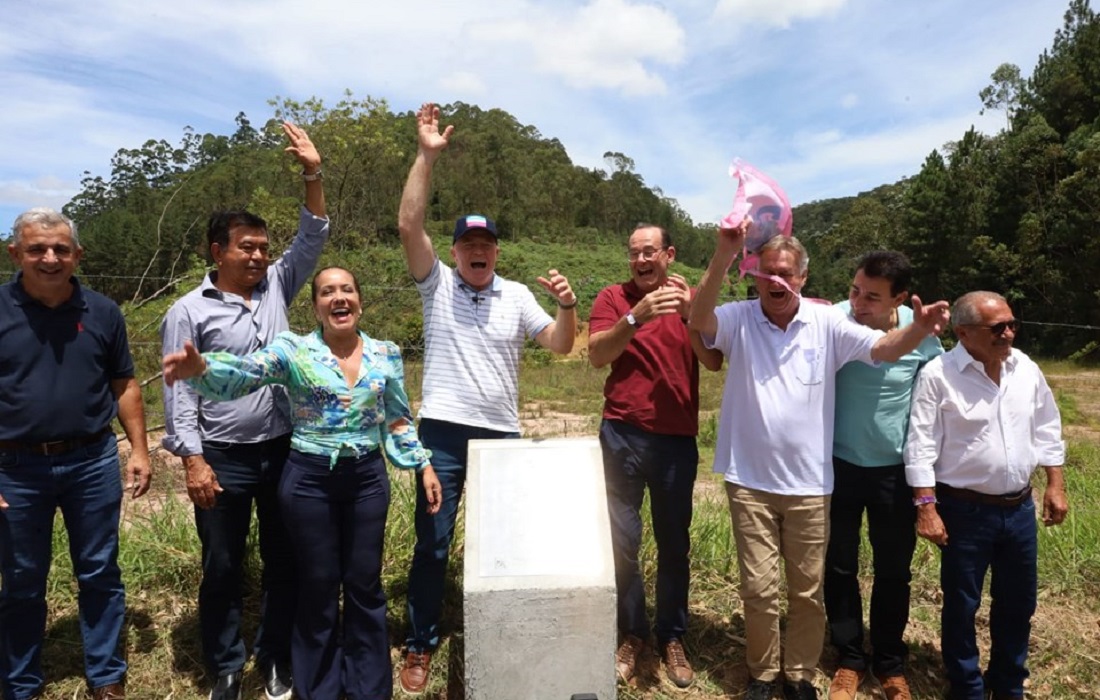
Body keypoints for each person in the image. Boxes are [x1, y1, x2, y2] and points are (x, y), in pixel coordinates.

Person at [688, 224, 949, 700]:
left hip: (810, 484)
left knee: (807, 590)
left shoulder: (827, 322)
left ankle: (800, 674)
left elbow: (883, 348)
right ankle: (762, 673)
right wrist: (724, 253)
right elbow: (699, 318)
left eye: (786, 273)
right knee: (758, 587)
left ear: (803, 277)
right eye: (767, 272)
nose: (776, 280)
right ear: (756, 274)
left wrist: (918, 328)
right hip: (749, 480)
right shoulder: (740, 318)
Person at [164, 266, 443, 700]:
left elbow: (397, 416)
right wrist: (203, 367)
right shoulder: (293, 350)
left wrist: (422, 464)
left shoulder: (385, 353)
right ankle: (319, 688)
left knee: (365, 583)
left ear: (359, 301)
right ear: (315, 307)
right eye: (327, 292)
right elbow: (248, 372)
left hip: (367, 480)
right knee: (318, 583)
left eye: (347, 289)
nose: (339, 298)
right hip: (309, 481)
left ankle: (369, 688)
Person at [395, 102, 578, 695]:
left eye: (487, 243)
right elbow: (409, 226)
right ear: (454, 251)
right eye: (468, 242)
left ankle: (505, 636)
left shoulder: (518, 295)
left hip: (502, 436)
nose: (478, 250)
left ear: (497, 250)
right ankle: (420, 642)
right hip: (442, 433)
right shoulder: (436, 285)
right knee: (433, 543)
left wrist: (568, 307)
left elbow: (560, 345)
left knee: (507, 545)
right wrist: (426, 156)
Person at [160, 122, 328, 700]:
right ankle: (227, 666)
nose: (258, 256)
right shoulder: (189, 311)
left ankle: (275, 657)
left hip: (284, 450)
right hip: (222, 457)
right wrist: (193, 460)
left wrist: (312, 173)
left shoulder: (278, 285)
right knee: (222, 565)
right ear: (218, 251)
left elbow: (312, 236)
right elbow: (179, 392)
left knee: (285, 559)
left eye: (262, 247)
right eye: (246, 247)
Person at [0, 208, 152, 700]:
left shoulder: (103, 312)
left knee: (100, 570)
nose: (50, 258)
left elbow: (124, 384)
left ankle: (106, 676)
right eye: (37, 249)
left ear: (78, 255)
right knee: (22, 578)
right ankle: (20, 683)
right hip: (14, 468)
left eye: (61, 249)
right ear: (15, 253)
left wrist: (140, 449)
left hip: (92, 460)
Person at [905, 291, 1067, 700]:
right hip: (964, 511)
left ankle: (1008, 683)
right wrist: (926, 507)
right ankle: (967, 686)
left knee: (1019, 603)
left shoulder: (1025, 368)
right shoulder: (939, 375)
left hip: (1018, 510)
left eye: (1012, 324)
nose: (1008, 333)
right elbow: (920, 445)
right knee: (962, 605)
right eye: (997, 328)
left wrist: (1055, 483)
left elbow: (1047, 426)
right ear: (963, 332)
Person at [588, 223, 723, 689]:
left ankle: (672, 635)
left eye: (649, 251)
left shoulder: (691, 299)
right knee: (622, 541)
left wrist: (690, 316)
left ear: (669, 254)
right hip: (621, 434)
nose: (641, 260)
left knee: (673, 543)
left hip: (675, 441)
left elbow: (713, 361)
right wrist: (634, 317)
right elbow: (597, 356)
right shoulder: (613, 298)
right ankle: (633, 633)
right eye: (634, 253)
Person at [824, 251, 943, 700]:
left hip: (894, 472)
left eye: (872, 297)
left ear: (899, 299)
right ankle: (849, 658)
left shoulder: (921, 331)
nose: (858, 303)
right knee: (839, 566)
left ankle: (890, 662)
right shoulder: (834, 320)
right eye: (855, 290)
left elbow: (935, 398)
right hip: (836, 465)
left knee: (894, 570)